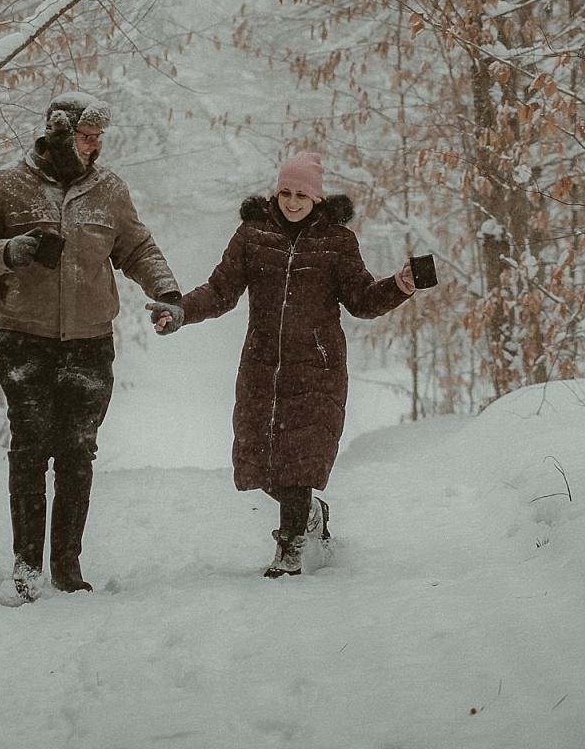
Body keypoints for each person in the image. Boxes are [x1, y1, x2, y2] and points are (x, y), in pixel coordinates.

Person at [0, 92, 181, 601]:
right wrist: (10, 251)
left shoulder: (110, 190)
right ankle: (26, 568)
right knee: (30, 452)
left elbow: (137, 247)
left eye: (100, 138)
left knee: (78, 454)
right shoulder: (6, 186)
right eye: (86, 137)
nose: (95, 147)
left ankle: (67, 567)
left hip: (90, 345)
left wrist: (167, 292)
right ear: (59, 131)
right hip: (25, 341)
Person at [147, 151, 417, 578]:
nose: (292, 202)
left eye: (302, 196)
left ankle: (290, 551)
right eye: (286, 193)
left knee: (299, 460)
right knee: (260, 463)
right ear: (276, 193)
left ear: (317, 199)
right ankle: (311, 513)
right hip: (262, 366)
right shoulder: (253, 235)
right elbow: (220, 290)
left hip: (317, 367)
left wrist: (398, 287)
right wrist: (181, 310)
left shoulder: (337, 241)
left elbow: (363, 299)